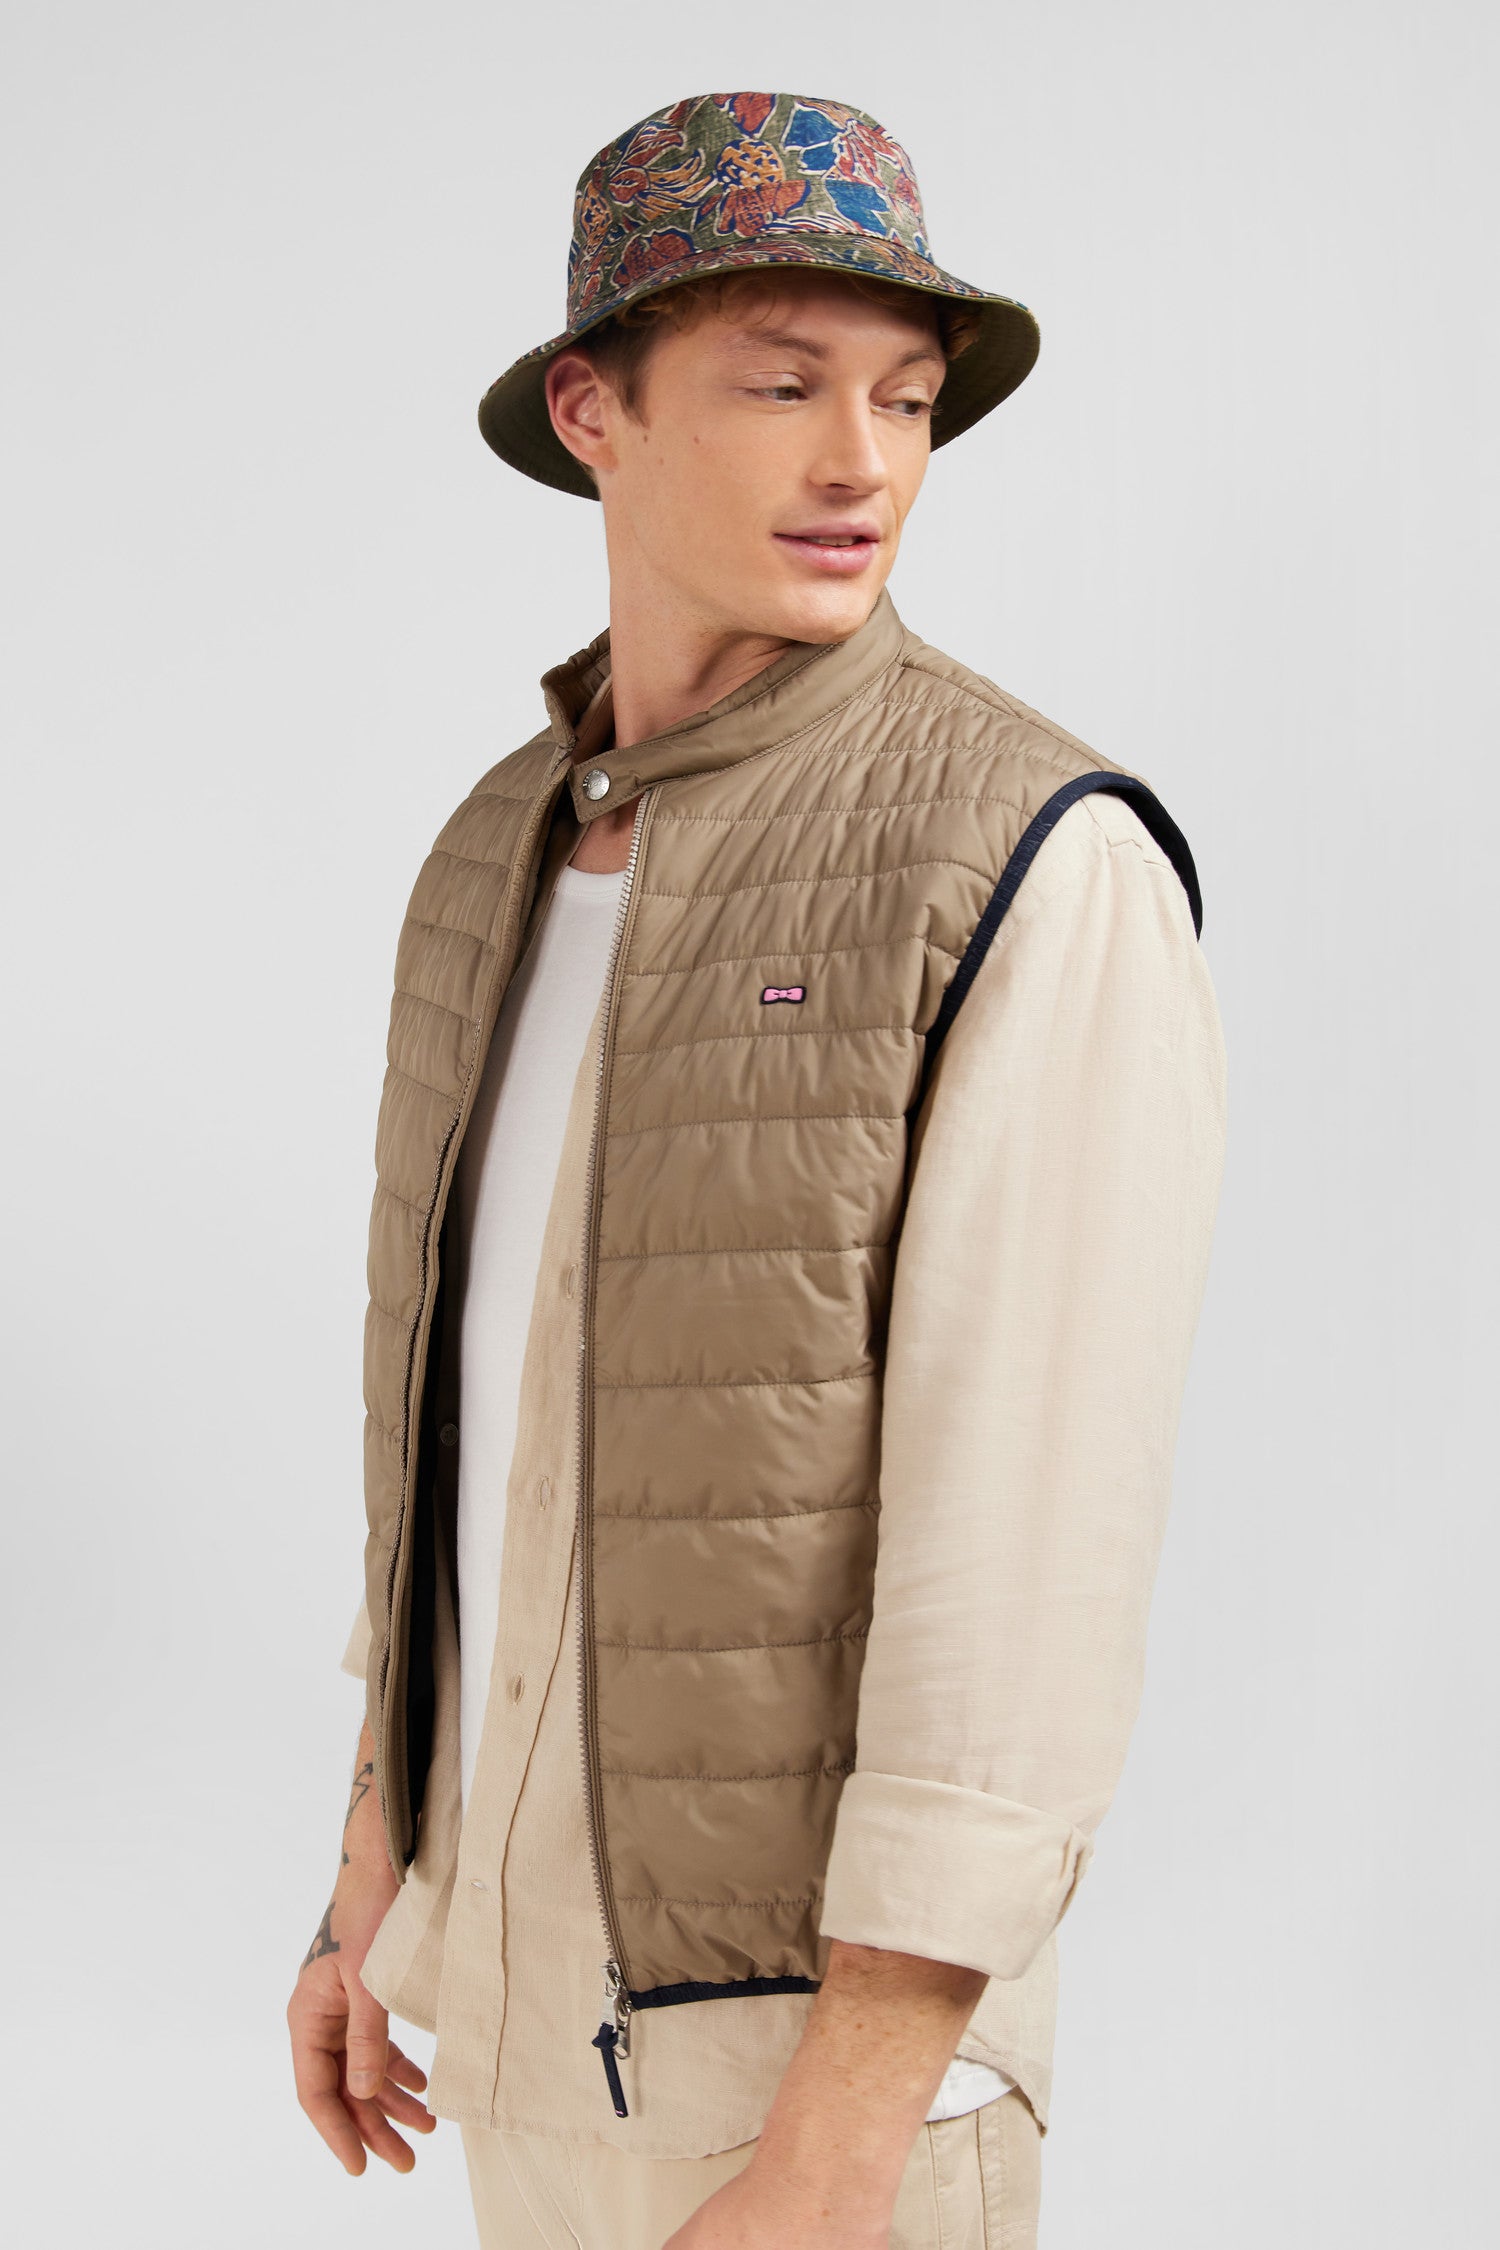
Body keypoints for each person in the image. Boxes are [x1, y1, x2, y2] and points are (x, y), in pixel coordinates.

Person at [285, 90, 1226, 2250]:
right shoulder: (495, 853)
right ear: (592, 410)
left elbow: (1033, 1563)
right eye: (783, 385)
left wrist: (842, 2137)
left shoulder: (1026, 856)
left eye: (906, 399)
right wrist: (368, 1886)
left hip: (818, 2083)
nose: (863, 463)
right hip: (515, 2016)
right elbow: (459, 1447)